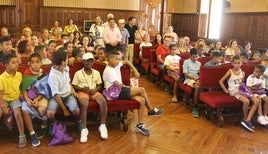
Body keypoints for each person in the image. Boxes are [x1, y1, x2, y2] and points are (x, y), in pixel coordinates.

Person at [103, 51, 164, 135]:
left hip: (120, 90)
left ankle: (140, 124)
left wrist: (135, 70)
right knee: (141, 90)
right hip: (114, 92)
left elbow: (127, 62)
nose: (118, 61)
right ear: (109, 60)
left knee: (141, 100)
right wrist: (131, 88)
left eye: (119, 59)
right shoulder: (108, 70)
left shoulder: (116, 65)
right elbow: (120, 85)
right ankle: (150, 110)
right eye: (116, 59)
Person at [72, 52, 108, 143]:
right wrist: (82, 88)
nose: (89, 63)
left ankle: (102, 125)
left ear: (93, 62)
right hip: (83, 91)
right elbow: (74, 85)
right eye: (87, 61)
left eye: (91, 61)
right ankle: (84, 129)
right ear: (83, 62)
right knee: (84, 104)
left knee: (103, 102)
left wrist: (95, 89)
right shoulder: (78, 73)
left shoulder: (96, 72)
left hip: (93, 91)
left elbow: (100, 84)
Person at [219, 55, 259, 132]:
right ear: (232, 63)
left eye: (239, 63)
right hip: (234, 91)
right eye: (235, 63)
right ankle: (245, 118)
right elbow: (220, 81)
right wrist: (225, 90)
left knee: (256, 100)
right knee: (246, 101)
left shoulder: (242, 73)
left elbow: (242, 83)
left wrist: (247, 89)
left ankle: (247, 120)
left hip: (242, 89)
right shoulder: (230, 71)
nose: (237, 65)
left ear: (241, 63)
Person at [47, 48, 81, 135]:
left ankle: (79, 121)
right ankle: (52, 123)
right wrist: (64, 109)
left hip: (68, 95)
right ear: (62, 62)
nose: (68, 60)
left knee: (76, 111)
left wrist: (72, 90)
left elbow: (68, 81)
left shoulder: (66, 68)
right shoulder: (53, 76)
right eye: (66, 59)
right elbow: (56, 95)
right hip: (56, 97)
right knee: (50, 113)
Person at [21, 53, 49, 147]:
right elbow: (24, 89)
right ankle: (32, 133)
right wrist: (28, 99)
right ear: (29, 64)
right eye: (32, 62)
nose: (35, 64)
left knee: (42, 110)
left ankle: (43, 126)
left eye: (37, 62)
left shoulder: (44, 74)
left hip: (40, 97)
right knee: (24, 109)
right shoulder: (26, 73)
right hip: (28, 97)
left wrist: (37, 99)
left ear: (41, 63)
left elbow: (44, 91)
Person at [0, 54, 26, 147]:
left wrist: (21, 94)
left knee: (17, 113)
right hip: (4, 99)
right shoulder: (2, 78)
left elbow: (21, 87)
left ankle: (22, 135)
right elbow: (0, 95)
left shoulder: (19, 75)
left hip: (15, 98)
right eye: (13, 63)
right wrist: (3, 106)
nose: (16, 65)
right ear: (6, 65)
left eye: (17, 62)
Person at [183, 48, 201, 118]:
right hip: (189, 78)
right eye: (194, 56)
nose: (195, 58)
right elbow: (185, 74)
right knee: (197, 87)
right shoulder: (186, 62)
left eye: (197, 56)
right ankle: (195, 107)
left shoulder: (199, 63)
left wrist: (199, 77)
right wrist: (194, 78)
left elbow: (200, 73)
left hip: (197, 78)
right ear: (190, 56)